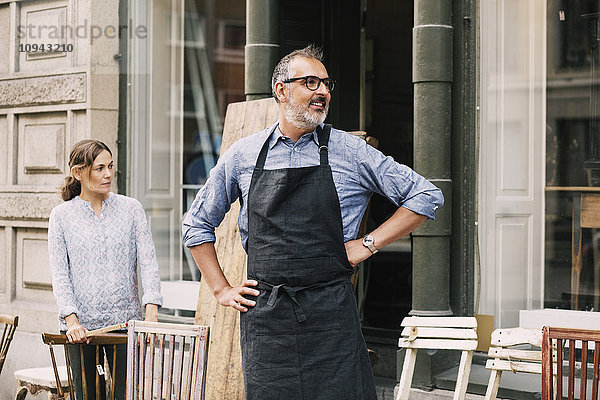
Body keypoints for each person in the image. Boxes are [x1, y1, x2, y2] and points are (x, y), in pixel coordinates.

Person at [182, 44, 443, 399]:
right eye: (310, 82)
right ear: (281, 89)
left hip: (331, 319)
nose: (323, 91)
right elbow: (196, 225)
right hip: (267, 323)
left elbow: (426, 196)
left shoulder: (349, 151)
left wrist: (368, 244)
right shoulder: (244, 155)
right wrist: (221, 289)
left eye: (325, 84)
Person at [48, 139, 163, 400]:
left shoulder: (131, 209)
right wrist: (71, 320)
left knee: (126, 395)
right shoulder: (61, 216)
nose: (108, 174)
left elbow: (148, 262)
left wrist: (151, 312)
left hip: (126, 326)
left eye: (110, 166)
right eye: (99, 168)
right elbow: (60, 273)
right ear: (78, 172)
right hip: (83, 332)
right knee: (88, 396)